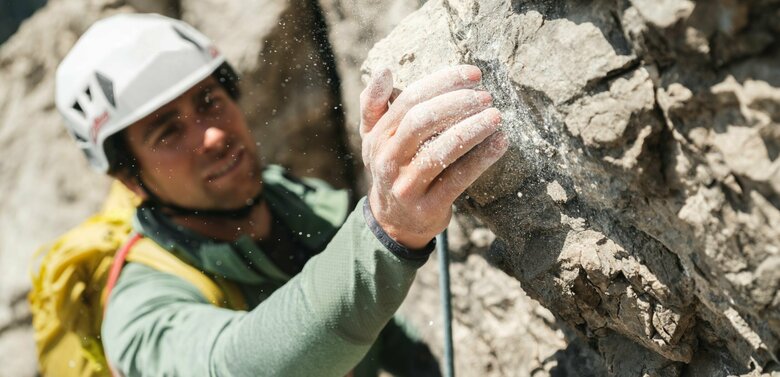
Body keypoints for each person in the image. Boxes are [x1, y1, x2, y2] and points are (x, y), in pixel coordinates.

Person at [54, 13, 507, 377]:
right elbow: (232, 366)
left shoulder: (295, 202)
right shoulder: (140, 309)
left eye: (210, 100)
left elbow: (384, 336)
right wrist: (388, 230)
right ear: (130, 179)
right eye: (168, 132)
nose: (212, 135)